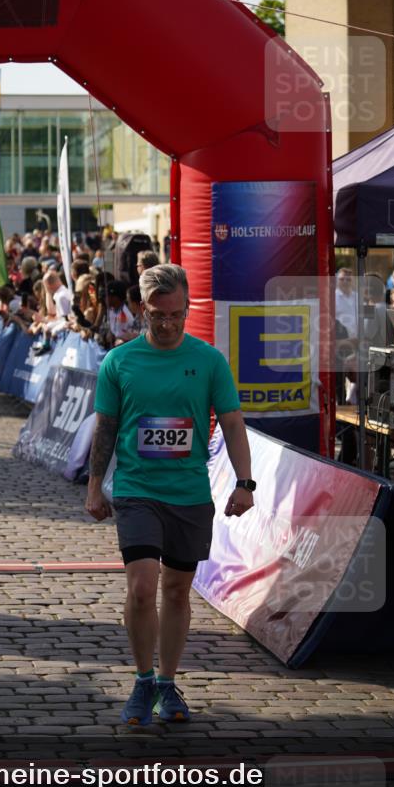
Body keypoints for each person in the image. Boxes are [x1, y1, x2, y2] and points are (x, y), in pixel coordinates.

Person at [85, 263, 254, 725]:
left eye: (176, 315)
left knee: (177, 592)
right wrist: (95, 485)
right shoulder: (119, 362)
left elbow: (234, 423)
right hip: (138, 490)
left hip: (189, 492)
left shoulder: (209, 361)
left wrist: (244, 482)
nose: (167, 324)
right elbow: (107, 427)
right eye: (158, 316)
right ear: (142, 310)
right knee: (142, 588)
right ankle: (142, 683)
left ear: (187, 309)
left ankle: (167, 683)